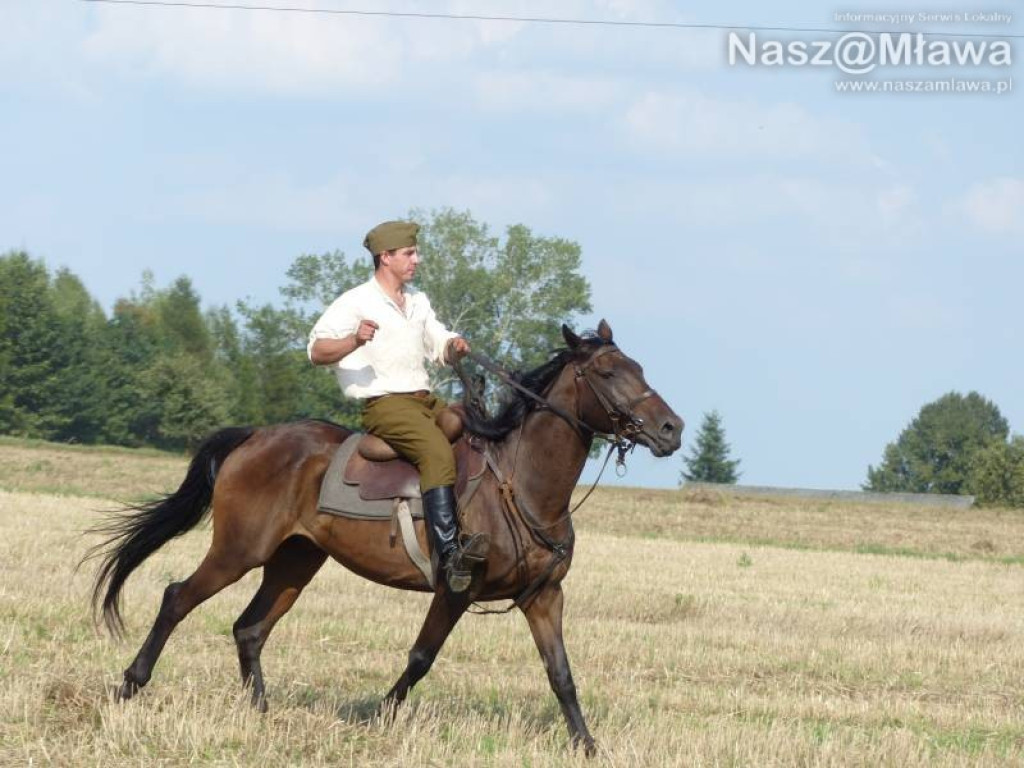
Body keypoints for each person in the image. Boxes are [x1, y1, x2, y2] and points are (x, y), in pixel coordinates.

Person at [307, 220, 488, 593]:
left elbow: (437, 337)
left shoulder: (418, 301)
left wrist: (453, 345)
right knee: (437, 452)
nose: (416, 260)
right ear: (385, 257)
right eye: (408, 253)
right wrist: (353, 340)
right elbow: (316, 350)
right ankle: (449, 554)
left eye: (415, 252)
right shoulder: (357, 301)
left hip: (424, 400)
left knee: (475, 423)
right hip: (387, 405)